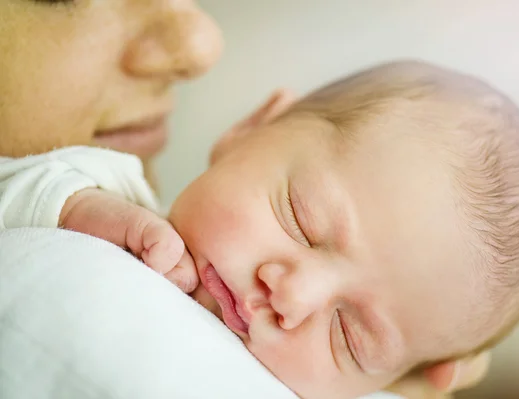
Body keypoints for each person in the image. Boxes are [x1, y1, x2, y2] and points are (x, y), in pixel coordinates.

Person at [0, 0, 490, 397]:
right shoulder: (104, 192)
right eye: (302, 220)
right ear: (252, 128)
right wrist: (70, 206)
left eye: (351, 339)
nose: (292, 298)